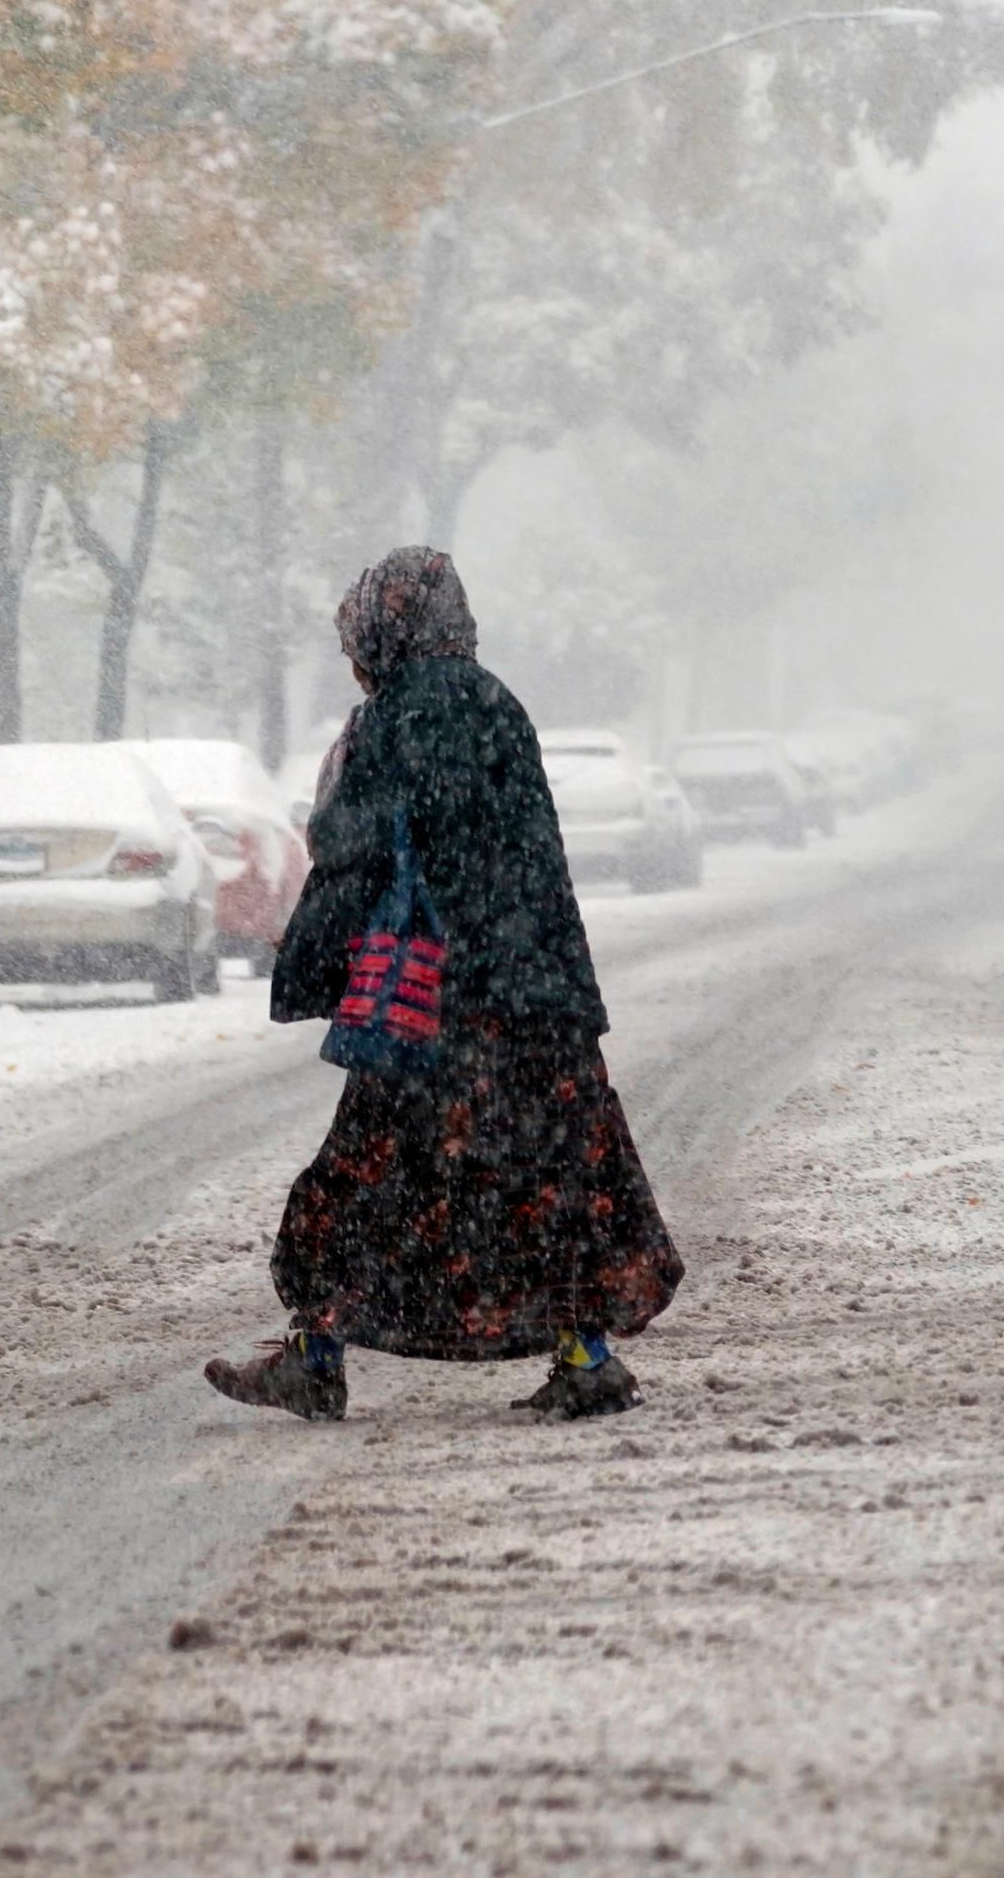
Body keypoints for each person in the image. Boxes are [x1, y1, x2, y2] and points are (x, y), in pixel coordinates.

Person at [205, 546, 683, 1422]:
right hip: (537, 995)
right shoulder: (495, 699)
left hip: (443, 1002)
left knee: (361, 1179)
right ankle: (587, 1358)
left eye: (357, 638)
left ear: (385, 628)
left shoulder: (403, 714)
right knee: (548, 1180)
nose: (354, 658)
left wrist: (309, 954)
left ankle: (316, 1359)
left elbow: (363, 851)